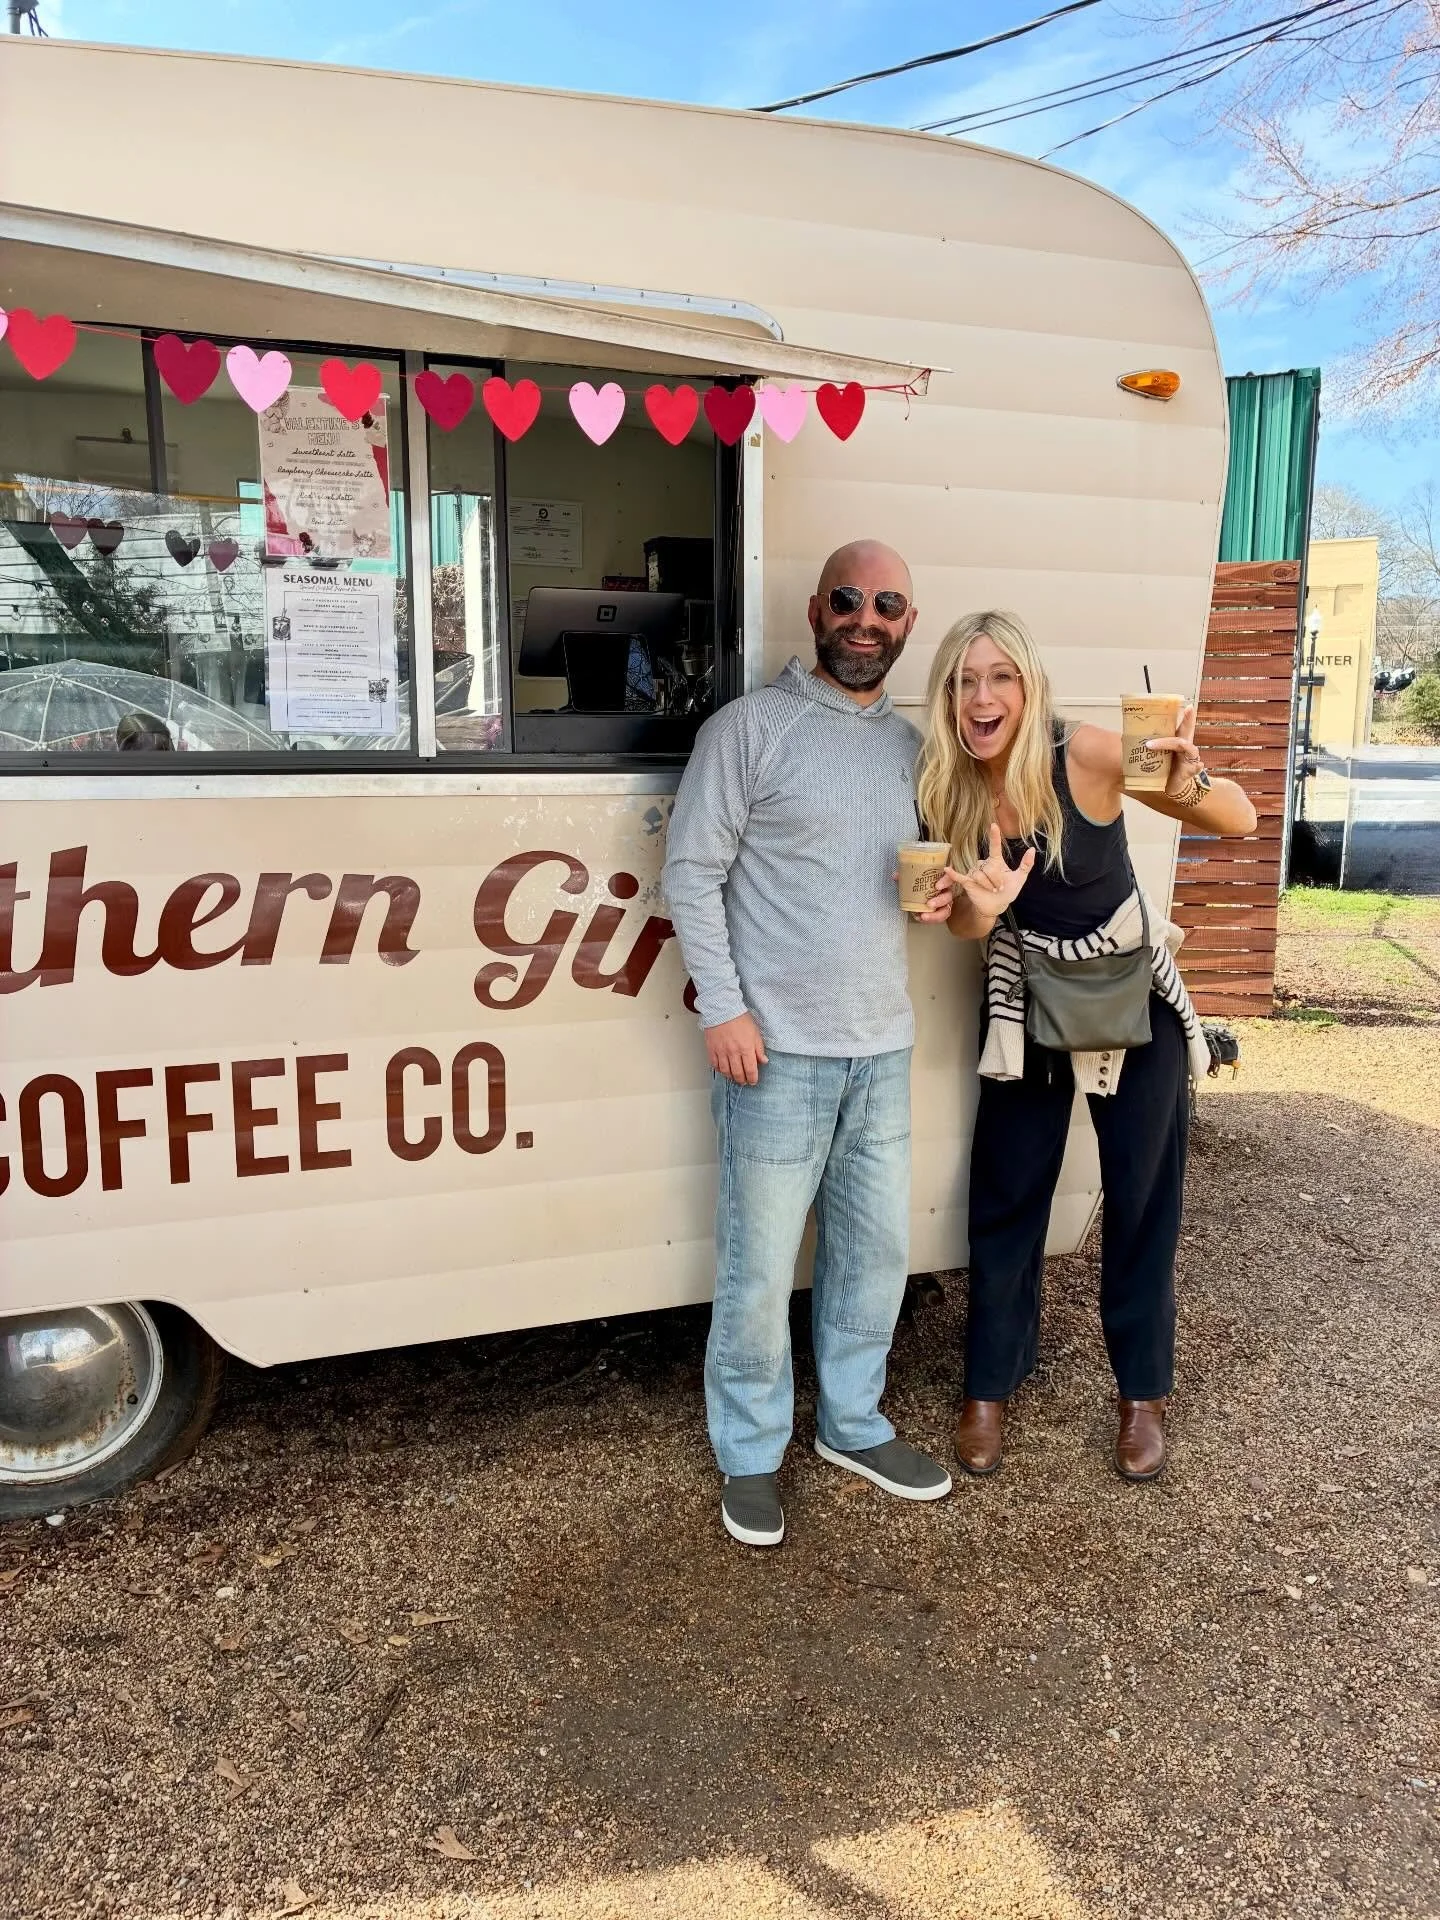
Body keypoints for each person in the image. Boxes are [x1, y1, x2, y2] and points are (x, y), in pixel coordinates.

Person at [916, 611, 1257, 1482]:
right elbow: (965, 925)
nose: (981, 696)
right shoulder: (948, 789)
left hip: (1130, 1004)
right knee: (1006, 1191)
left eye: (1000, 677)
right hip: (1026, 1000)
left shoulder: (1092, 755)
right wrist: (979, 908)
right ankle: (989, 1387)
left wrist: (1187, 779)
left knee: (1142, 1201)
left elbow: (1242, 820)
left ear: (1031, 687)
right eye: (963, 680)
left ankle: (1142, 1395)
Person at [663, 541, 956, 1548]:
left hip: (880, 1047)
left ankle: (853, 1424)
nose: (867, 619)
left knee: (874, 1257)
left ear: (908, 623)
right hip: (775, 1053)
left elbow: (930, 872)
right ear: (815, 610)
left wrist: (947, 897)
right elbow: (691, 874)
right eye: (849, 601)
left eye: (889, 604)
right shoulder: (749, 731)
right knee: (756, 1269)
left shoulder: (914, 750)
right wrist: (724, 1010)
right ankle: (749, 1454)